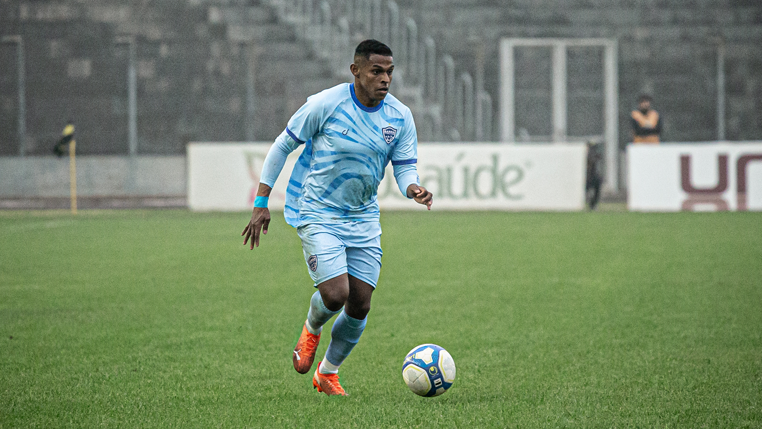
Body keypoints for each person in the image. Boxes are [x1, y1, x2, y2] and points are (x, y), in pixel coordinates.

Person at [241, 39, 433, 396]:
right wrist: (261, 201)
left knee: (360, 302)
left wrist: (413, 189)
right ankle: (312, 329)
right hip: (316, 210)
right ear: (355, 70)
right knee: (335, 294)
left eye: (390, 72)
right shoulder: (326, 104)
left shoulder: (399, 117)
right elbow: (284, 144)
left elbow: (405, 167)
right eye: (377, 71)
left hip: (362, 216)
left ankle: (327, 374)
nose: (385, 79)